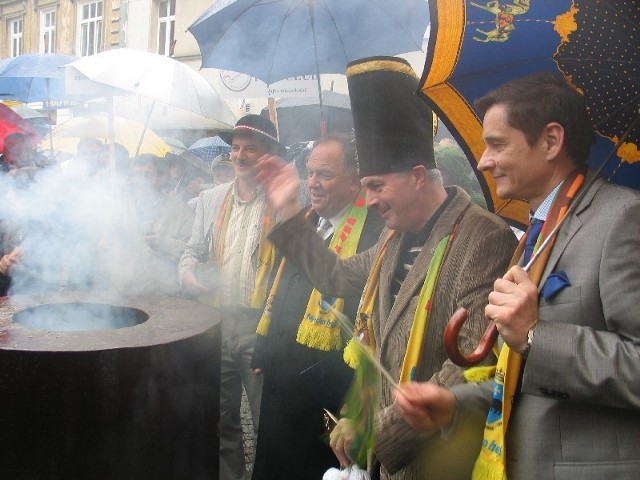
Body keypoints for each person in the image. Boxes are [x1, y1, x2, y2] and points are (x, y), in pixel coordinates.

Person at [255, 56, 517, 480]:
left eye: (378, 186)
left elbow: (469, 363)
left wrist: (378, 433)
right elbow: (335, 278)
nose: (370, 200)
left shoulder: (484, 237)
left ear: (418, 176)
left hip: (437, 458)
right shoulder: (393, 237)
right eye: (365, 187)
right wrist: (287, 210)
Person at [394, 72, 640, 479]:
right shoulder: (536, 233)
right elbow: (523, 383)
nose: (482, 161)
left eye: (497, 144)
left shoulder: (621, 220)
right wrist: (456, 402)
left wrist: (535, 335)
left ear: (550, 141)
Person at [249, 134, 385, 480]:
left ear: (356, 179)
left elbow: (369, 326)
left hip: (326, 390)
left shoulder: (375, 233)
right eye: (309, 173)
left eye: (324, 174)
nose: (313, 183)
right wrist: (264, 349)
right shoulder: (306, 220)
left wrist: (354, 403)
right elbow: (281, 288)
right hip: (282, 377)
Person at [178, 114, 288, 480]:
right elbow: (191, 250)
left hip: (262, 326)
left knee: (266, 419)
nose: (239, 156)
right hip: (217, 321)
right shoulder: (211, 200)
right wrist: (188, 271)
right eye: (236, 149)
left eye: (250, 149)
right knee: (221, 418)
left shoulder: (286, 200)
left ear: (269, 155)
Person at [125, 154, 194, 296]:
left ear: (162, 178)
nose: (139, 181)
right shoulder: (119, 209)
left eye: (147, 175)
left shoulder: (181, 211)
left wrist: (165, 243)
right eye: (135, 175)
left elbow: (193, 252)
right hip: (125, 294)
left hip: (164, 295)